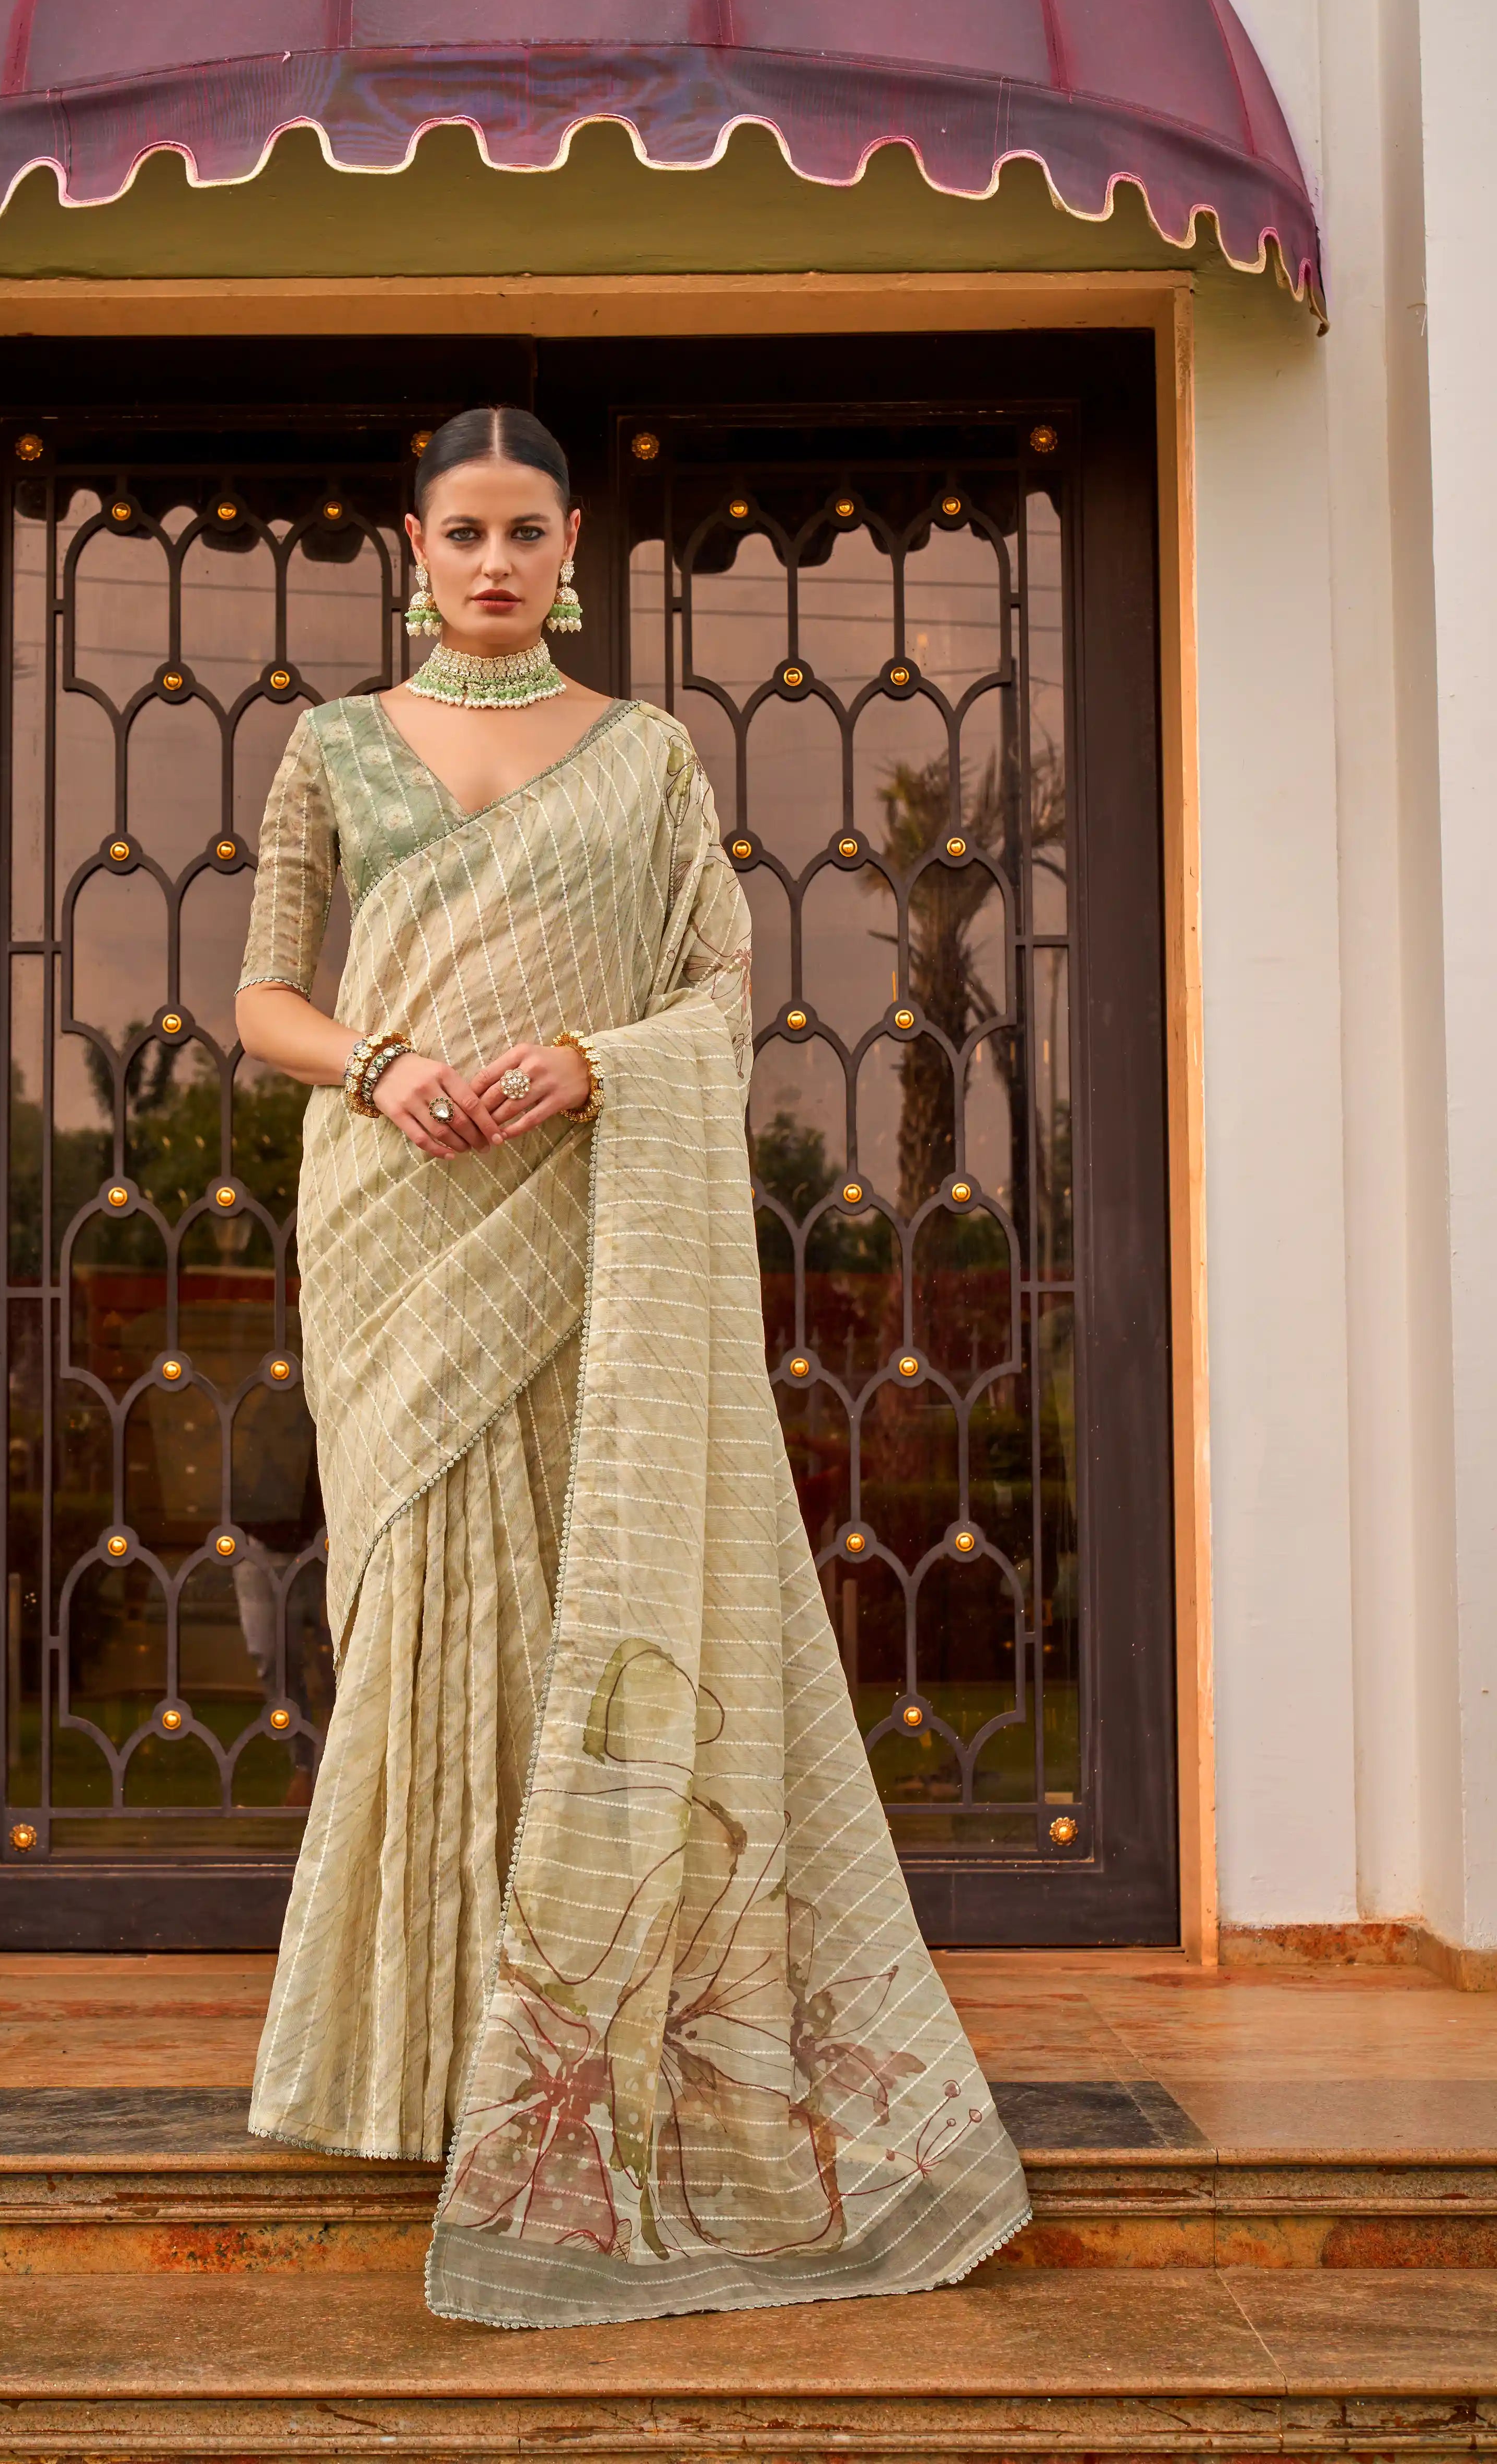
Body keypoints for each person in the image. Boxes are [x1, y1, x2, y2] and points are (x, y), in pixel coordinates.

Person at [235, 407, 1027, 2329]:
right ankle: (410, 2069)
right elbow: (264, 996)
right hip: (402, 1218)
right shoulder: (334, 750)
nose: (492, 562)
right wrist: (387, 1066)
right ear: (409, 548)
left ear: (571, 537)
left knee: (590, 1607)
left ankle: (580, 2064)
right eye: (459, 533)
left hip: (590, 1219)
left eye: (523, 530)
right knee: (423, 1604)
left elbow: (710, 999)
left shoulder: (646, 756)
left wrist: (598, 1068)